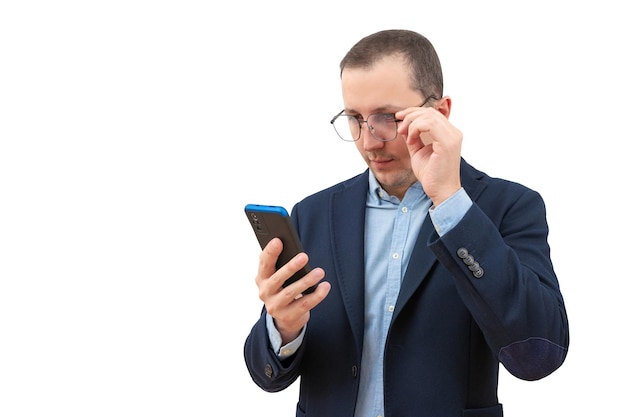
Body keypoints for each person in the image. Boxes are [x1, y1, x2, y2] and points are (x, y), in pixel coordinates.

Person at [243, 29, 569, 417]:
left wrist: (450, 201)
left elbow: (539, 355)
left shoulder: (508, 207)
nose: (368, 141)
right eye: (354, 119)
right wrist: (284, 326)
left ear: (441, 113)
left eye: (386, 118)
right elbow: (266, 375)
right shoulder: (313, 213)